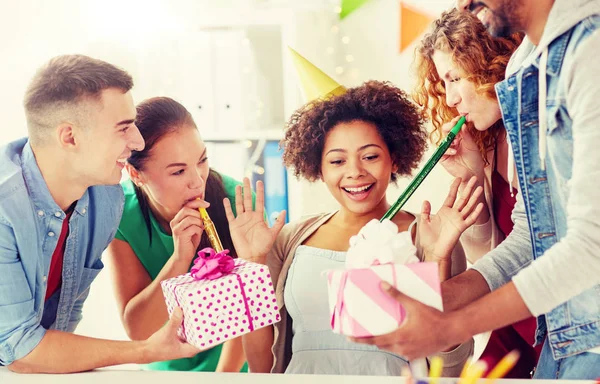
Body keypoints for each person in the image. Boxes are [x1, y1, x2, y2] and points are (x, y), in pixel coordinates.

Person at [352, 0, 600, 379]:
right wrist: (435, 299)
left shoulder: (586, 51)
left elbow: (582, 247)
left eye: (454, 78)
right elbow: (529, 240)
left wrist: (449, 318)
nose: (449, 99)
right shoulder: (525, 74)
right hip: (556, 329)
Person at [229, 80, 484, 376]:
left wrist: (438, 258)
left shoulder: (431, 235)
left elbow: (449, 371)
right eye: (337, 160)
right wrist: (253, 265)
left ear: (395, 158)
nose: (355, 172)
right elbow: (262, 367)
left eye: (370, 156)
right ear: (318, 169)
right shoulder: (289, 241)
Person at [0, 55, 199, 373]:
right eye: (123, 128)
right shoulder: (4, 209)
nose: (137, 142)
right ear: (70, 137)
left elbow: (61, 323)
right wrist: (146, 350)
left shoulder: (105, 199)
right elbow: (21, 351)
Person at [412, 9, 540, 378]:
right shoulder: (489, 143)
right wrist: (472, 181)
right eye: (443, 83)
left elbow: (532, 247)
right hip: (515, 323)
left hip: (552, 318)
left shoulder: (537, 134)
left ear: (492, 63)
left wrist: (442, 300)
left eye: (454, 78)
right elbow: (492, 254)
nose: (450, 98)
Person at [105, 97, 250, 372]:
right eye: (179, 171)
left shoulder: (238, 204)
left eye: (202, 160)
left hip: (233, 369)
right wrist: (179, 260)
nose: (197, 180)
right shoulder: (121, 212)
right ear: (136, 174)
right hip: (163, 369)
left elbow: (250, 314)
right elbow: (138, 330)